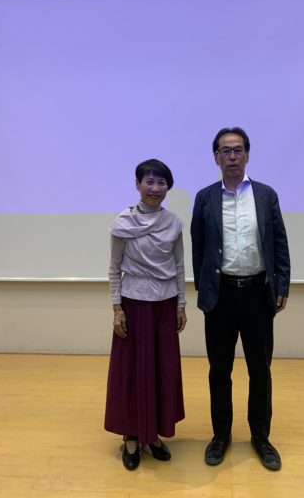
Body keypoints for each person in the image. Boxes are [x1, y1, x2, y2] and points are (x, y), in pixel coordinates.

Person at [190, 127, 290, 471]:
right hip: (220, 298)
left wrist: (282, 285)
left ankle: (261, 437)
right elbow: (199, 248)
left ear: (247, 154)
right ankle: (221, 435)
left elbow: (279, 242)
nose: (231, 156)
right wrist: (205, 289)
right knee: (219, 370)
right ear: (216, 158)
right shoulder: (204, 198)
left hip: (258, 294)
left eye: (237, 150)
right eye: (225, 151)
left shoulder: (266, 195)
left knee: (260, 370)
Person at [104, 159, 187, 471]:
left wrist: (181, 304)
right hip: (133, 304)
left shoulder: (174, 223)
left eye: (161, 182)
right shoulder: (123, 223)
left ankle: (153, 435)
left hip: (164, 305)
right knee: (132, 371)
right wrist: (117, 309)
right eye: (149, 181)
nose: (155, 188)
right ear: (137, 184)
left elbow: (179, 266)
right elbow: (114, 268)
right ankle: (132, 434)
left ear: (168, 187)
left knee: (162, 370)